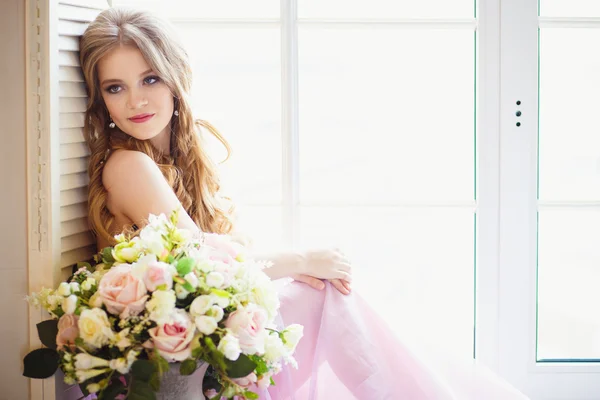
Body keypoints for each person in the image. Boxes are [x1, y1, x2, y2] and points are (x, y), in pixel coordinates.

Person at [78, 7, 529, 400]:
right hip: (176, 363)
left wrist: (303, 266)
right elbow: (202, 263)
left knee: (327, 292)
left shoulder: (175, 156)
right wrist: (302, 259)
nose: (135, 100)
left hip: (204, 344)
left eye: (150, 78)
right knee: (323, 292)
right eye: (115, 87)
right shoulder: (128, 165)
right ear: (101, 99)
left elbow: (222, 261)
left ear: (176, 81)